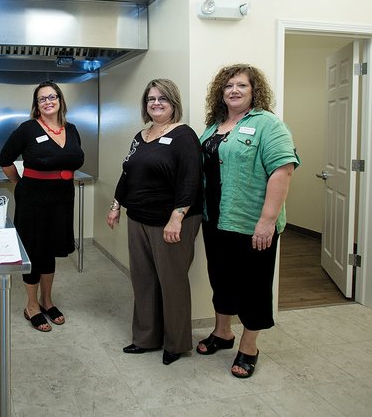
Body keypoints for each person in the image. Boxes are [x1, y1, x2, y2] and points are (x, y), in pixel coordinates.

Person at [196, 63, 300, 379]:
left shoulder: (269, 125)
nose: (234, 90)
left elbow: (283, 170)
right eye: (228, 86)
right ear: (221, 92)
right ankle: (222, 333)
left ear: (254, 90)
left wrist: (267, 220)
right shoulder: (214, 126)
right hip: (215, 220)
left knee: (253, 287)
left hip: (252, 224)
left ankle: (249, 346)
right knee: (221, 280)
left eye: (241, 85)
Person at [106, 79, 202, 365]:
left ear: (174, 103)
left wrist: (177, 217)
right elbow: (128, 173)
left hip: (171, 221)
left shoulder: (185, 136)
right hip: (139, 218)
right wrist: (116, 205)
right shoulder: (142, 135)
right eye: (151, 99)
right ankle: (146, 338)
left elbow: (191, 179)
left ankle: (176, 343)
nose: (156, 103)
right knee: (143, 279)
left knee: (171, 282)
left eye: (162, 98)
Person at [0, 81, 85, 332]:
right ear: (36, 105)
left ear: (60, 100)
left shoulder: (72, 129)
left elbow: (74, 158)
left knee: (52, 250)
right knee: (35, 252)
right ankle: (32, 305)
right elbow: (5, 159)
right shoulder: (27, 129)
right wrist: (18, 183)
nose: (48, 101)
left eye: (52, 96)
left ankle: (48, 301)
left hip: (62, 199)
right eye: (42, 99)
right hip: (33, 200)